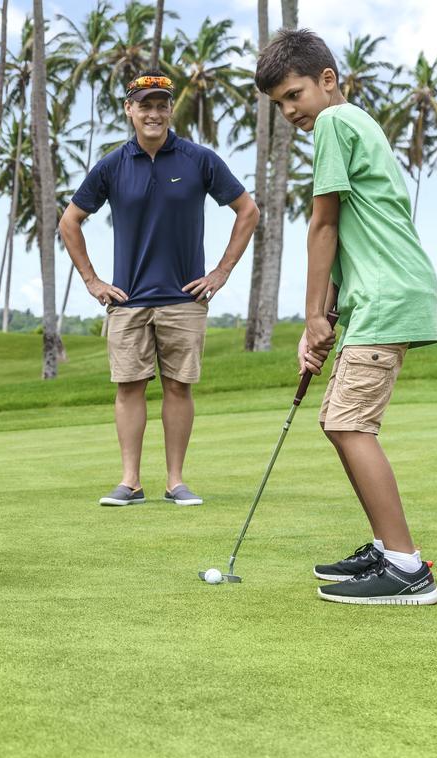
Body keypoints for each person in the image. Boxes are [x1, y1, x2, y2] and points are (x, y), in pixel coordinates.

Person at [256, 29, 437, 605]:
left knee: (349, 424)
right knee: (339, 420)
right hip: (381, 295)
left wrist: (311, 315)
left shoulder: (335, 123)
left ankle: (407, 568)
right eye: (280, 104)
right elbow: (353, 233)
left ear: (327, 80)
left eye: (294, 95)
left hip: (387, 297)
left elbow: (324, 225)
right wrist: (328, 314)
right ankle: (388, 549)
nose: (290, 112)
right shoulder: (359, 123)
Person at [59, 71, 259, 508]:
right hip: (128, 300)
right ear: (129, 109)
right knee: (129, 387)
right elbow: (69, 221)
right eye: (144, 104)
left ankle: (175, 481)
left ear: (170, 110)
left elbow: (247, 211)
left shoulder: (198, 159)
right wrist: (93, 282)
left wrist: (221, 272)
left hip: (184, 299)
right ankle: (130, 482)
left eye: (161, 105)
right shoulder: (112, 165)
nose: (153, 112)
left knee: (178, 387)